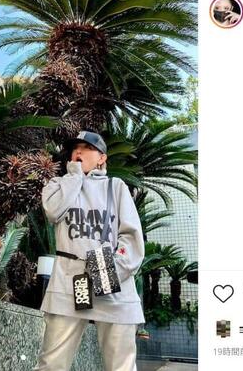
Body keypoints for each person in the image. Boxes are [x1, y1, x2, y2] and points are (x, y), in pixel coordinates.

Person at [35, 130, 145, 371]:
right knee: (52, 364)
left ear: (102, 158)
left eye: (87, 148)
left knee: (121, 366)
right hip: (70, 279)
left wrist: (110, 271)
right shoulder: (57, 185)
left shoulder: (116, 187)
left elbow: (132, 238)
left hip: (111, 276)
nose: (79, 152)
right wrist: (75, 176)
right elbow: (53, 212)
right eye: (75, 148)